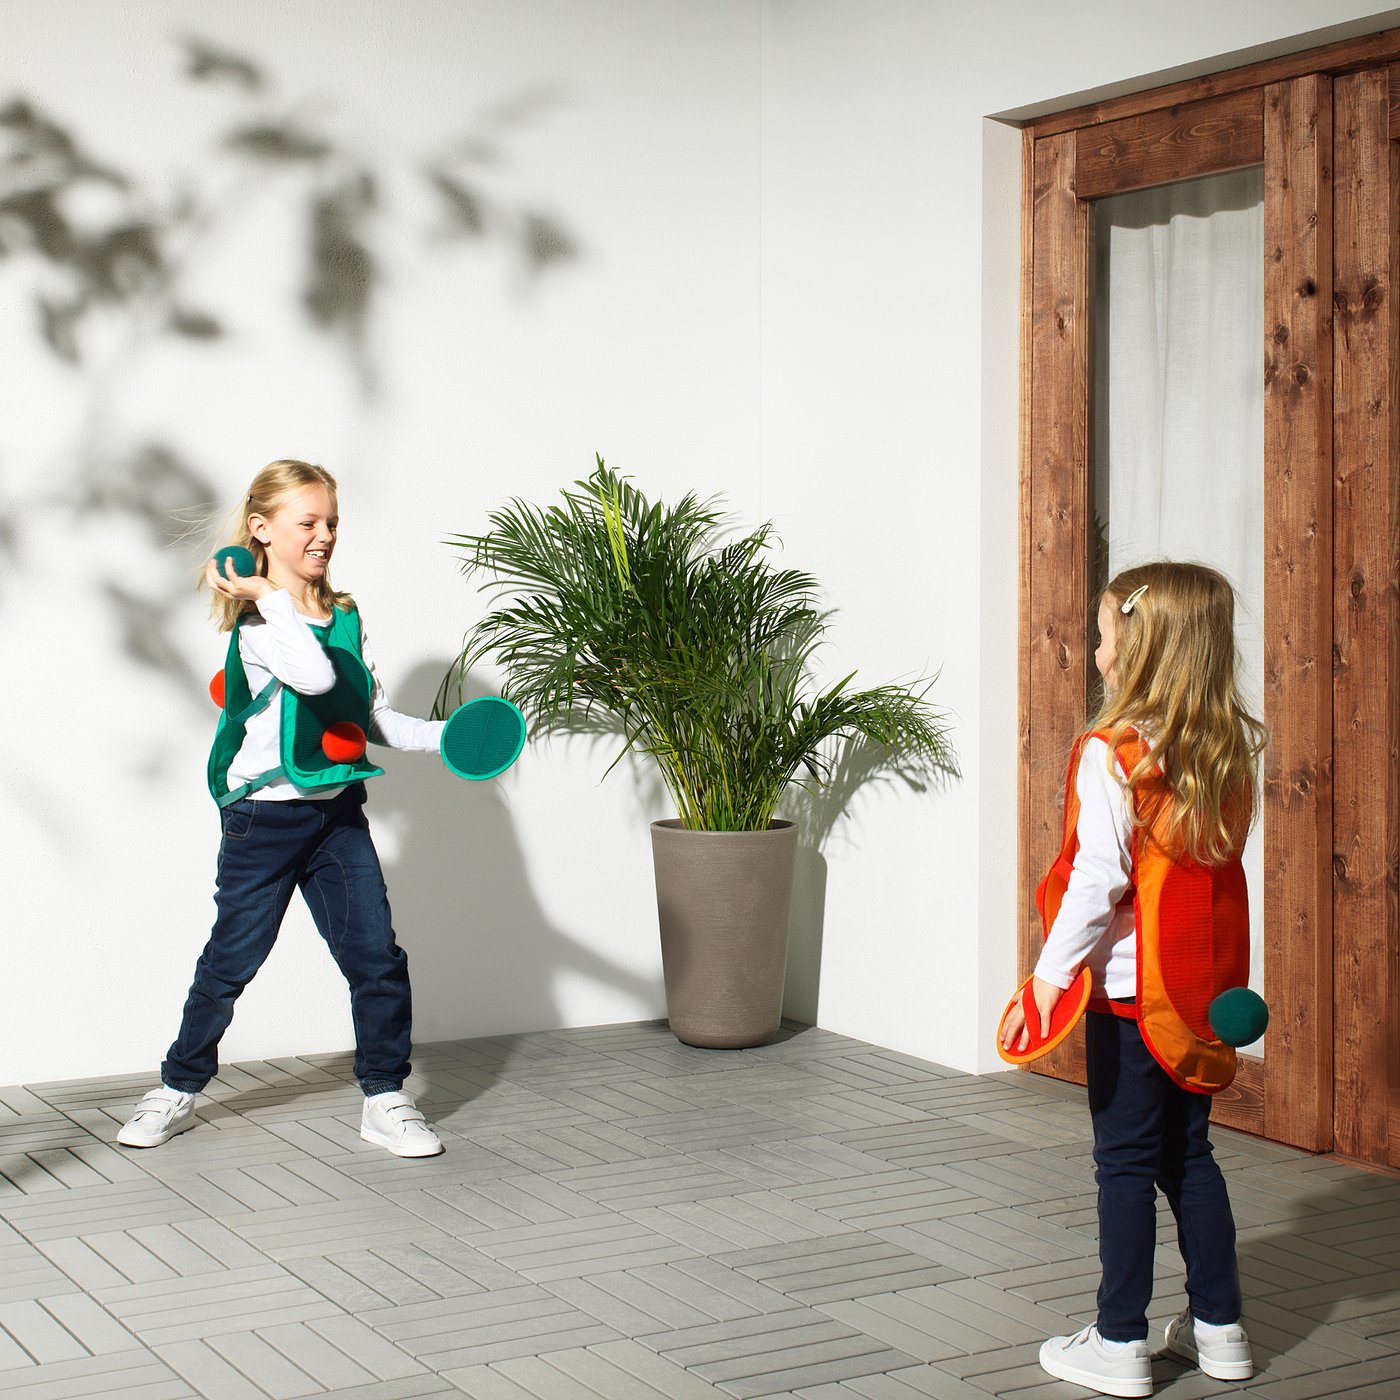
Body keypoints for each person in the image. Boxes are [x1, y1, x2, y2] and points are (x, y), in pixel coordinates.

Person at [118, 459, 445, 1158]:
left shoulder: (345, 617)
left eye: (333, 522)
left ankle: (385, 1097)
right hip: (262, 821)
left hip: (336, 816)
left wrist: (447, 738)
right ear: (261, 530)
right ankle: (177, 1086)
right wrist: (268, 593)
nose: (324, 535)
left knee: (377, 959)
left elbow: (369, 716)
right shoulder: (261, 624)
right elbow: (315, 676)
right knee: (229, 964)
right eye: (309, 522)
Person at [1002, 561, 1267, 1399]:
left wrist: (1048, 979)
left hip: (1128, 999)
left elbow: (1096, 881)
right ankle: (1220, 1328)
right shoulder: (1221, 750)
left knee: (1122, 1163)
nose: (1096, 652)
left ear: (1144, 649)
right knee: (1190, 1156)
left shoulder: (1114, 753)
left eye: (1106, 635)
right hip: (1196, 999)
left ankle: (1119, 1340)